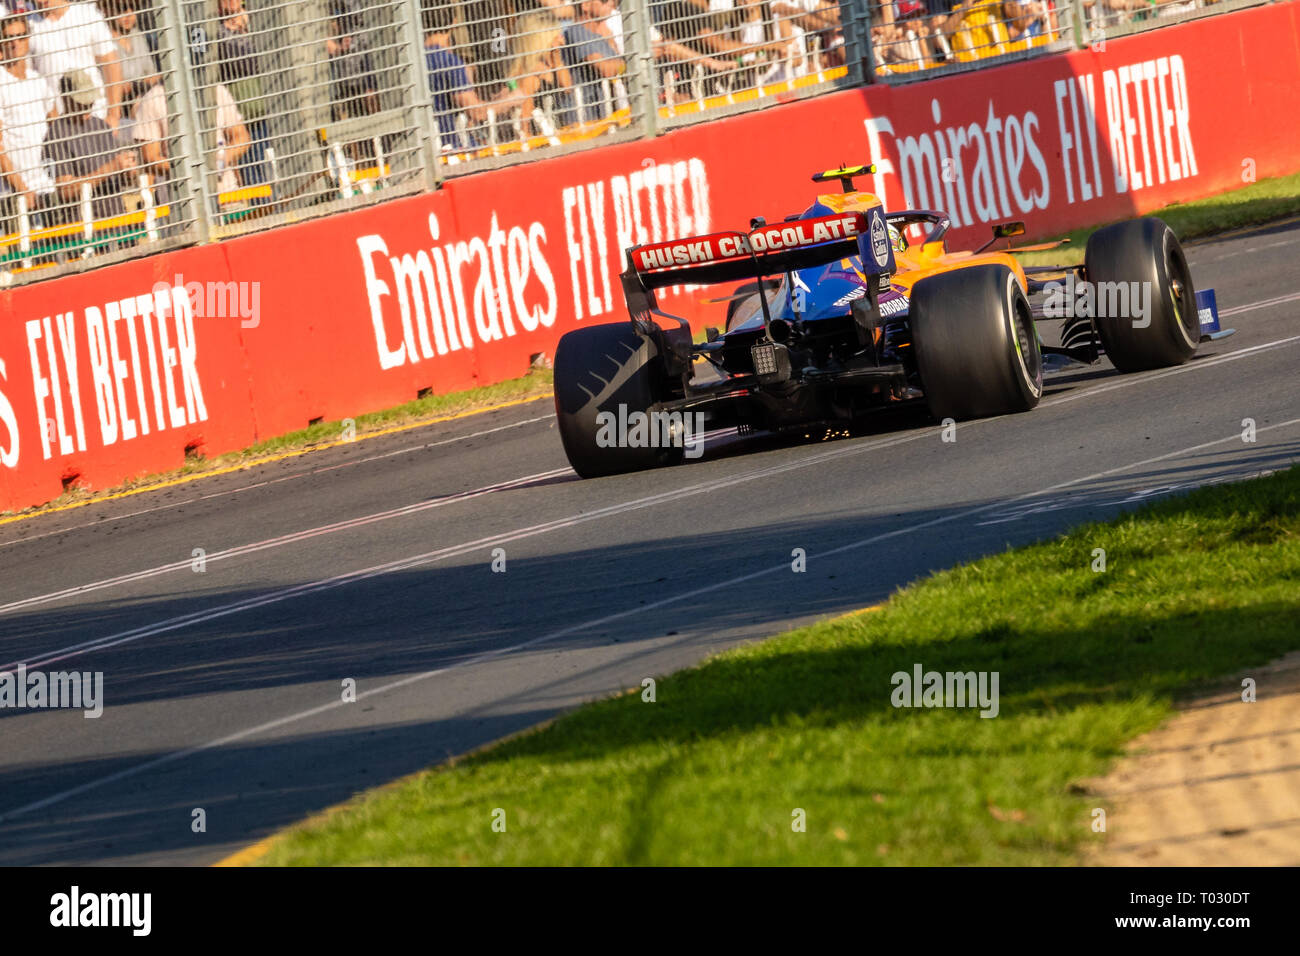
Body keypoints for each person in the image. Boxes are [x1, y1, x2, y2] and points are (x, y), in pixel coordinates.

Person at [133, 67, 248, 204]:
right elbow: (149, 158)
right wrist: (187, 169)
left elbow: (242, 136)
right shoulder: (152, 99)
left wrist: (223, 157)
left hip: (228, 195)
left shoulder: (215, 89)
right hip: (185, 202)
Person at [42, 67, 135, 224]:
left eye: (89, 100)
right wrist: (110, 168)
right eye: (82, 101)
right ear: (65, 98)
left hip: (117, 220)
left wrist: (127, 172)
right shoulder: (56, 136)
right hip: (84, 226)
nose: (88, 106)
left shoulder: (101, 126)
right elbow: (65, 190)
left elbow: (119, 179)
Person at [0, 11, 58, 223]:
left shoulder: (38, 80)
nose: (15, 43)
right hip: (14, 191)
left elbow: (55, 123)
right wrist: (21, 188)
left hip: (47, 184)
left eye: (20, 36)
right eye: (9, 38)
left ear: (28, 39)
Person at [27, 0, 124, 127]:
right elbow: (28, 79)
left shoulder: (87, 13)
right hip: (57, 122)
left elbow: (111, 63)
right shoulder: (29, 26)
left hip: (96, 113)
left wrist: (114, 115)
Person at [423, 5, 488, 150]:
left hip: (426, 146)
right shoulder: (449, 62)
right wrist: (500, 105)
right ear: (454, 22)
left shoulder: (416, 62)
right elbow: (475, 111)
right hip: (454, 145)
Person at [562, 0, 624, 122]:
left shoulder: (601, 33)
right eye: (604, 1)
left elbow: (616, 66)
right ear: (585, 5)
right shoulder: (577, 32)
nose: (612, 2)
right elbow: (607, 70)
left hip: (602, 110)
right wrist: (631, 63)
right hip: (584, 115)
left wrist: (610, 41)